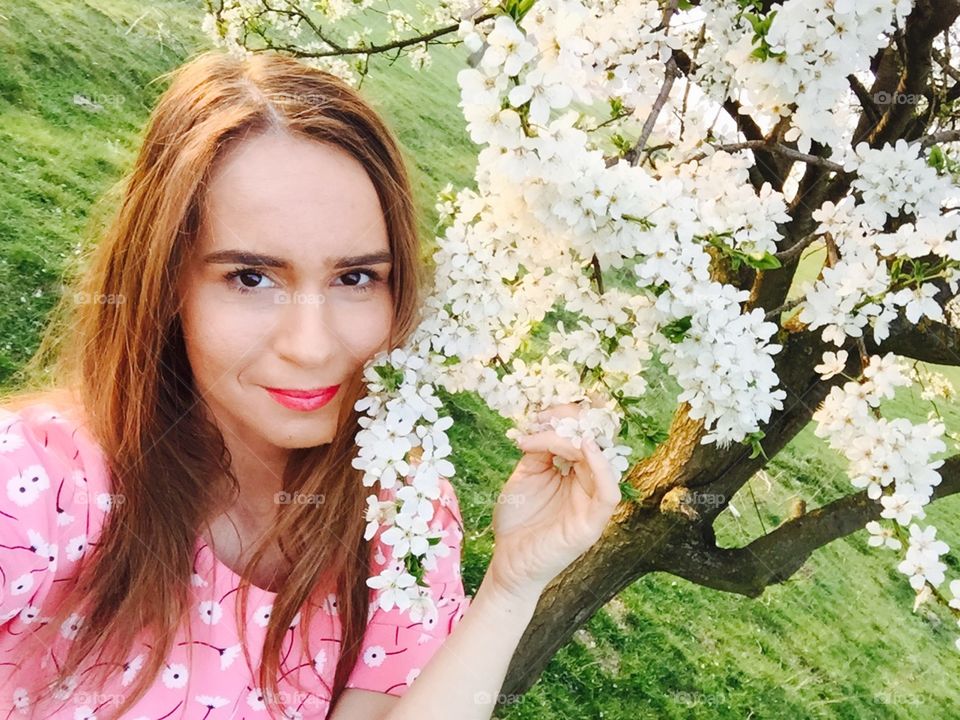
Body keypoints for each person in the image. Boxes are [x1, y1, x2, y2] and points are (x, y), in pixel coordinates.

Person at [0, 50, 621, 720]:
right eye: (250, 277)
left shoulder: (403, 511)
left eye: (355, 278)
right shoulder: (37, 486)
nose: (313, 346)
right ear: (166, 281)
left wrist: (510, 587)